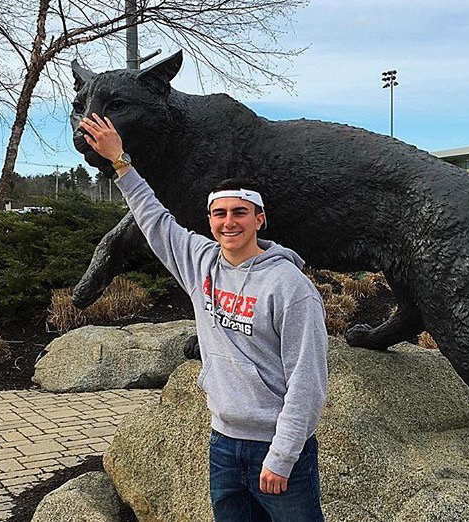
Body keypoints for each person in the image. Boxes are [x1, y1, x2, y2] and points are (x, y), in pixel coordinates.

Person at [80, 113, 328, 522]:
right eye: (220, 214)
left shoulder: (290, 287)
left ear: (259, 219)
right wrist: (119, 160)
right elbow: (153, 218)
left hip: (277, 448)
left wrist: (282, 456)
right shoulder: (200, 263)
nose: (229, 222)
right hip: (224, 444)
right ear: (211, 220)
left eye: (240, 213)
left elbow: (308, 381)